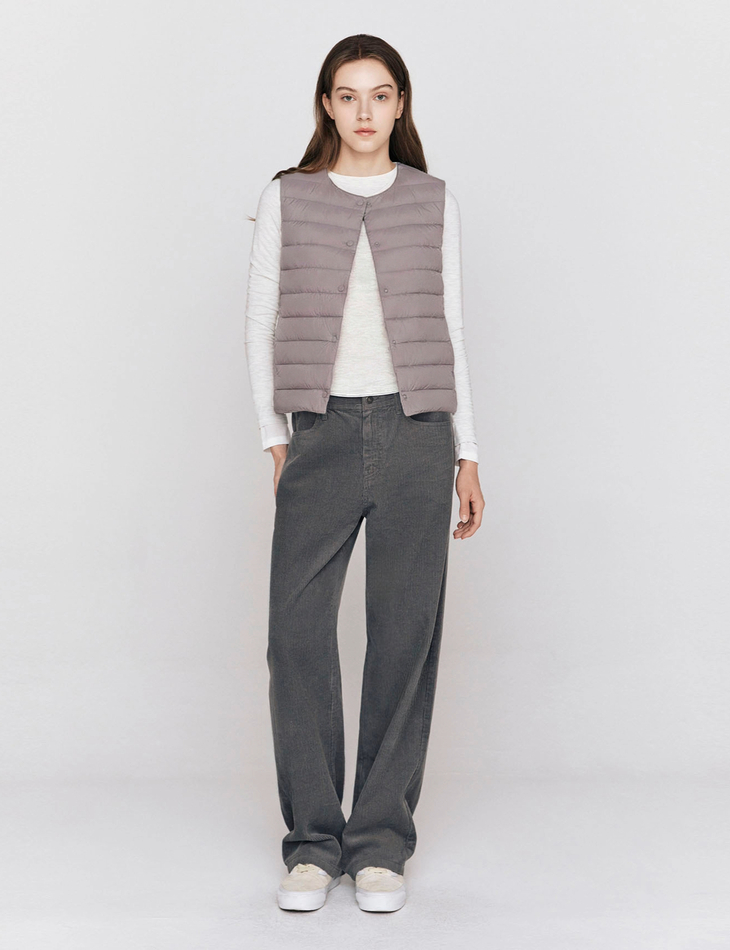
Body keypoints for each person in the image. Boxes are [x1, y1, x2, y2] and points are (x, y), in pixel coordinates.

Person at [245, 33, 484, 913]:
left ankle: (379, 843)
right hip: (322, 429)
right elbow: (260, 319)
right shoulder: (288, 197)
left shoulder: (433, 200)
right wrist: (275, 437)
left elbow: (453, 327)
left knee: (403, 637)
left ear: (400, 105)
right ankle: (314, 844)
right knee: (296, 636)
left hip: (419, 431)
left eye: (380, 96)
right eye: (348, 96)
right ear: (326, 106)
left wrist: (467, 451)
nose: (364, 112)